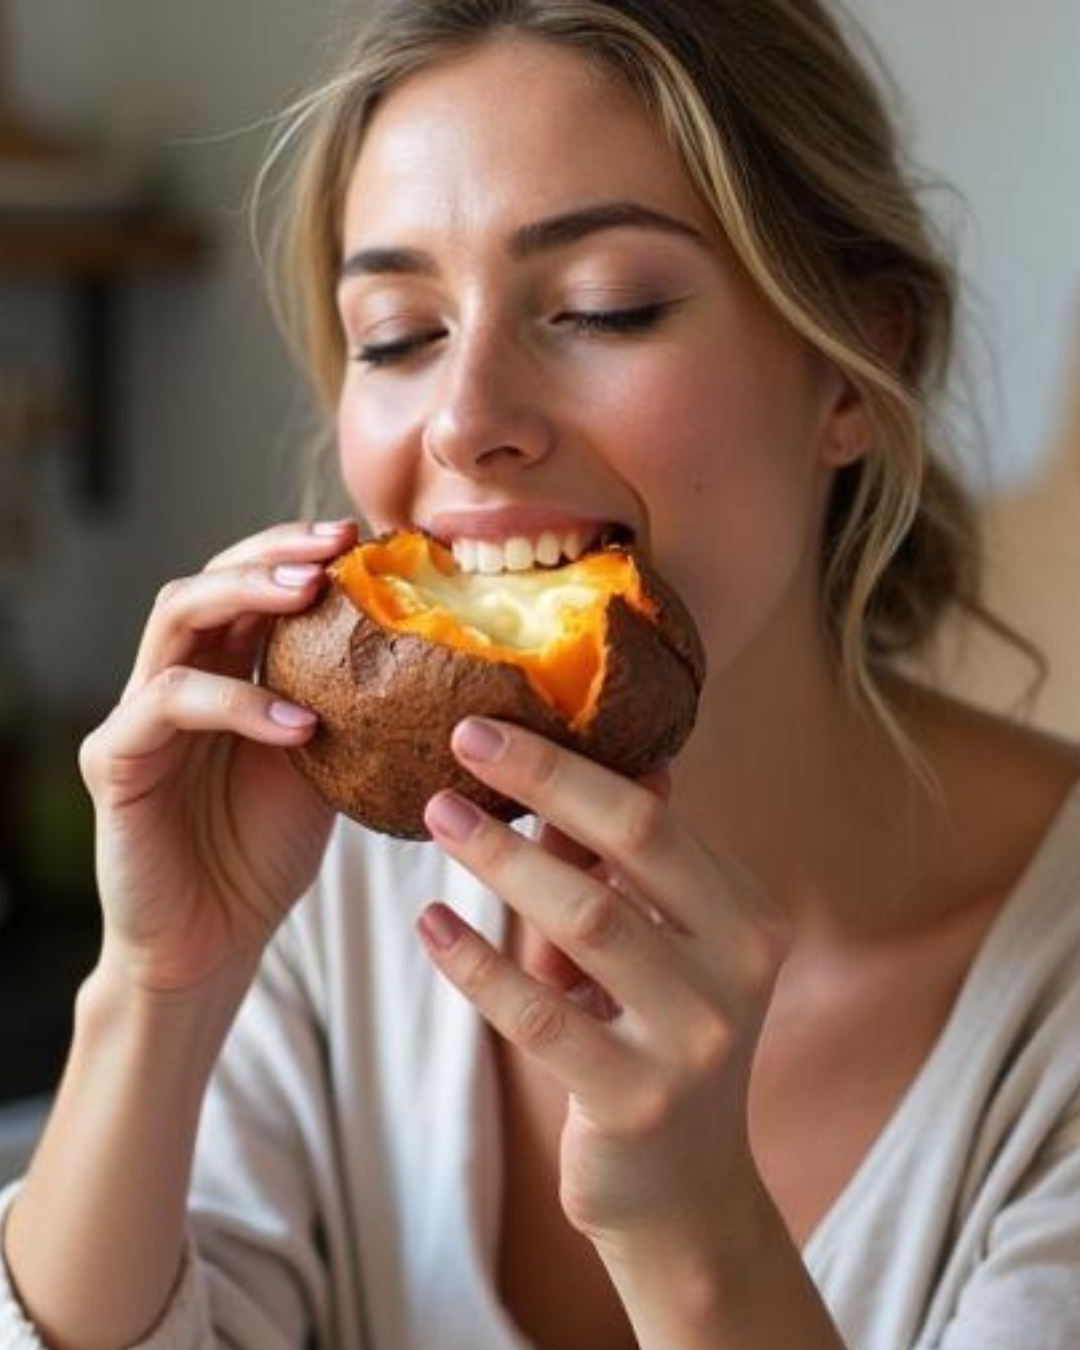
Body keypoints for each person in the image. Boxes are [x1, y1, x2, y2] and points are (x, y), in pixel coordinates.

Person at [3, 2, 1080, 1347]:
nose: (463, 421)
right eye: (396, 334)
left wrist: (698, 1233)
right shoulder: (313, 880)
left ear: (861, 363)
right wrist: (155, 997)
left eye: (602, 308)